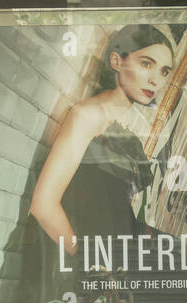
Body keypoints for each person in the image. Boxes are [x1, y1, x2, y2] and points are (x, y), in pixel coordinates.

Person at [29, 24, 176, 253]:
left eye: (164, 71)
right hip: (81, 262)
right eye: (146, 64)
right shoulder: (87, 116)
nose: (155, 80)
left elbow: (111, 209)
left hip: (109, 255)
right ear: (116, 61)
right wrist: (89, 259)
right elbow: (43, 205)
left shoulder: (121, 133)